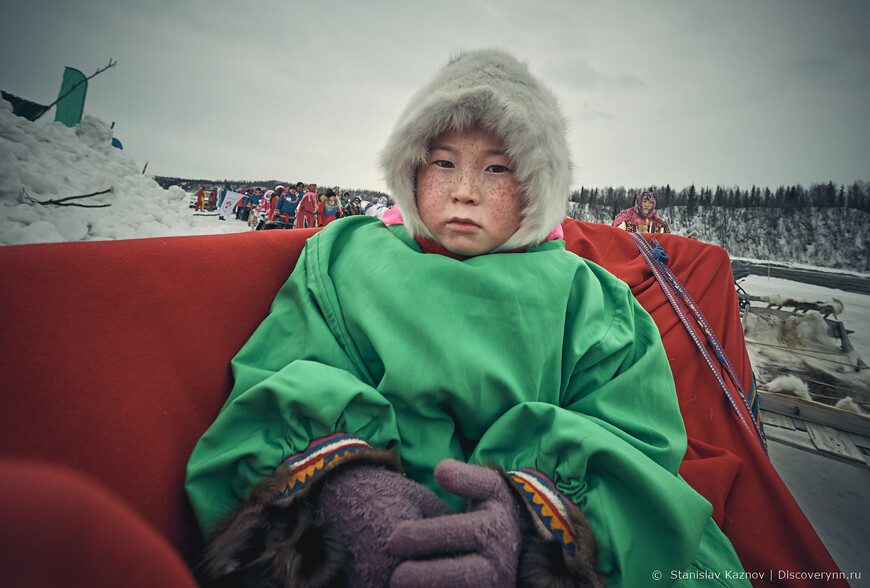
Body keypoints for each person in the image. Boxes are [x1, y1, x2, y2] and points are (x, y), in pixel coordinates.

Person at [186, 49, 749, 588]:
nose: (464, 191)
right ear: (410, 166)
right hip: (361, 533)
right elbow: (286, 377)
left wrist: (535, 534)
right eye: (444, 162)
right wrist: (351, 502)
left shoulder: (591, 302)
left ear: (536, 185)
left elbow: (631, 443)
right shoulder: (345, 262)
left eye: (498, 169)